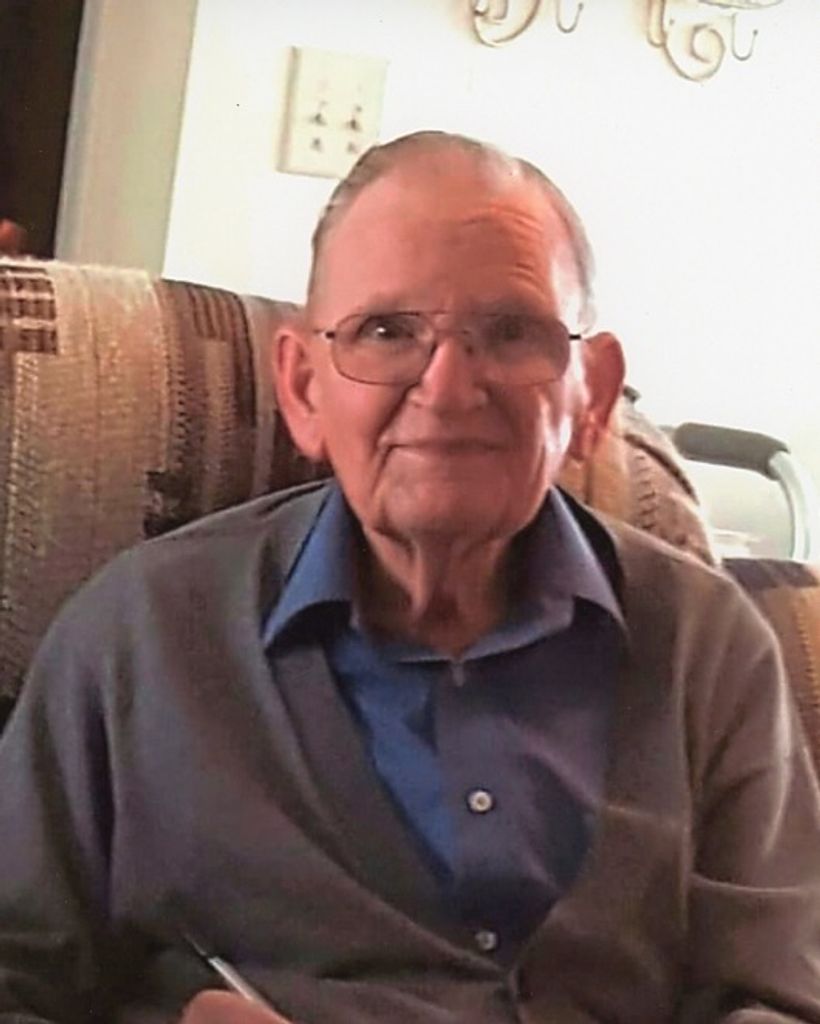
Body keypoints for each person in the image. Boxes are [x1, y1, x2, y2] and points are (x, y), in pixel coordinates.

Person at [0, 131, 818, 1024]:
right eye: (387, 331)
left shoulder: (709, 646)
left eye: (511, 332)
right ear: (303, 388)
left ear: (591, 393)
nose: (448, 388)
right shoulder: (140, 634)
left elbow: (778, 995)